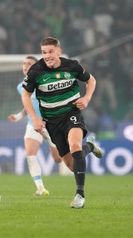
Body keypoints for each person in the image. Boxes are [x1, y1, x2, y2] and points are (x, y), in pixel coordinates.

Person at [21, 37, 103, 208]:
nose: (47, 56)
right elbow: (25, 94)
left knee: (75, 146)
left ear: (59, 51)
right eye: (44, 52)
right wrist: (35, 119)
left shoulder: (72, 66)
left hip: (71, 114)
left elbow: (91, 80)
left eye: (51, 52)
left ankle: (80, 195)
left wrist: (86, 98)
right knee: (71, 165)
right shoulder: (36, 71)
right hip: (52, 122)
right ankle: (90, 146)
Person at [8, 56, 62, 196]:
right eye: (24, 64)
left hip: (51, 125)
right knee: (30, 154)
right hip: (33, 124)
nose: (25, 66)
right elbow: (29, 105)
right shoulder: (21, 87)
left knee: (58, 159)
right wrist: (19, 116)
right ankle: (40, 188)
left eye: (29, 64)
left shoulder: (46, 82)